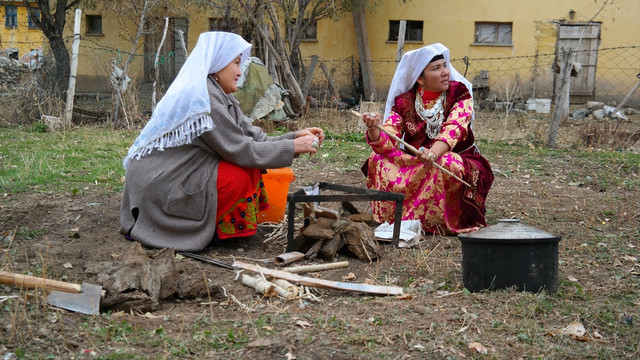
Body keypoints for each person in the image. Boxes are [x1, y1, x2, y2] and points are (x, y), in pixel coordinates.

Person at [120, 31, 324, 251]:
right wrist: (293, 147)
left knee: (248, 169)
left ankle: (220, 227)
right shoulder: (205, 99)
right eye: (236, 63)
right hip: (159, 181)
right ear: (217, 64)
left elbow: (254, 137)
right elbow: (241, 150)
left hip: (179, 170)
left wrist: (295, 137)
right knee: (237, 175)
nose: (240, 72)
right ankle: (207, 229)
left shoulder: (221, 95)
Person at [361, 43, 493, 235]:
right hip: (419, 159)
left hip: (453, 158)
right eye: (436, 68)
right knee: (376, 159)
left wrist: (432, 153)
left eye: (445, 65)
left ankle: (436, 222)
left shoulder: (459, 94)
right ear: (420, 79)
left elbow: (453, 129)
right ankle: (400, 219)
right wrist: (374, 129)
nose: (445, 72)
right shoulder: (404, 102)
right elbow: (388, 140)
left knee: (445, 161)